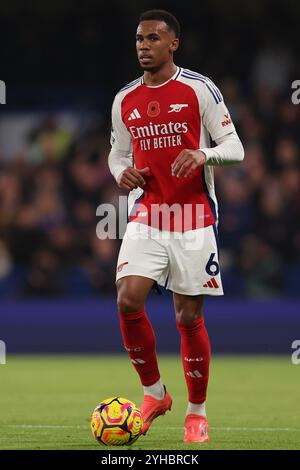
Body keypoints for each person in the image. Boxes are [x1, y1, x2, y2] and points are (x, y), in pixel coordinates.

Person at [108, 9, 244, 443]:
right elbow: (117, 154)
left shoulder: (198, 89)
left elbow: (235, 147)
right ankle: (154, 394)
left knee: (187, 315)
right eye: (138, 39)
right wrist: (120, 173)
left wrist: (205, 155)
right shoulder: (124, 99)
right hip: (148, 213)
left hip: (192, 216)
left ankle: (196, 412)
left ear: (173, 44)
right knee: (129, 300)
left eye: (152, 38)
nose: (143, 45)